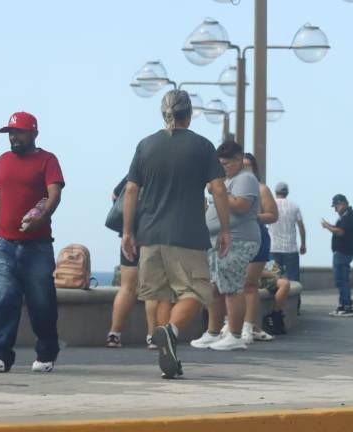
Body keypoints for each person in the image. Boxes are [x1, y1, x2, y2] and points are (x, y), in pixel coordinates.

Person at [122, 90, 230, 378]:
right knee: (197, 291)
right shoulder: (202, 146)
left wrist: (127, 232)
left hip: (149, 234)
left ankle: (166, 354)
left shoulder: (146, 146)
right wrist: (225, 229)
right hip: (187, 235)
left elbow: (131, 190)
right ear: (189, 115)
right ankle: (170, 331)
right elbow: (218, 189)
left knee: (160, 295)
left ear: (164, 114)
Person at [0, 112, 64, 374]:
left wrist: (41, 218)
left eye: (19, 132)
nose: (13, 137)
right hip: (4, 243)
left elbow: (54, 195)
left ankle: (46, 353)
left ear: (34, 134)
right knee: (4, 296)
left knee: (41, 302)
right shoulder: (4, 160)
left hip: (37, 245)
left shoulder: (48, 160)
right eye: (10, 132)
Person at [190, 141, 260, 351]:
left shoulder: (245, 179)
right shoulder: (226, 180)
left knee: (231, 288)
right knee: (215, 288)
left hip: (238, 240)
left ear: (238, 160)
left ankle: (235, 335)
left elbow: (242, 206)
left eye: (225, 164)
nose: (222, 168)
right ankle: (213, 332)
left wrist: (219, 192)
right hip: (216, 242)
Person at [105, 178, 171, 350]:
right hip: (155, 234)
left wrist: (129, 227)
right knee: (154, 288)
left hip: (129, 235)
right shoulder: (166, 172)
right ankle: (152, 336)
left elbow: (115, 195)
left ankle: (114, 333)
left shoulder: (135, 171)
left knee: (127, 287)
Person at [240, 152, 278, 343]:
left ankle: (248, 326)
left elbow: (273, 215)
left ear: (254, 168)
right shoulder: (230, 188)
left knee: (249, 284)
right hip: (234, 239)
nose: (244, 168)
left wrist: (252, 217)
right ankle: (236, 324)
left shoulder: (261, 189)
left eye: (248, 165)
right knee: (229, 285)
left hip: (257, 238)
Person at [321, 194, 353, 317]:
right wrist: (330, 225)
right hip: (342, 252)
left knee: (341, 280)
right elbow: (339, 229)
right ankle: (343, 305)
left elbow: (341, 232)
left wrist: (327, 227)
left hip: (343, 252)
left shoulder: (349, 216)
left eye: (336, 206)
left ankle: (347, 306)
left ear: (343, 203)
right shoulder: (346, 216)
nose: (335, 209)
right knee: (342, 280)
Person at [268, 182, 306, 282]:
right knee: (294, 280)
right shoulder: (294, 206)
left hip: (273, 249)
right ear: (287, 192)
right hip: (291, 249)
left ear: (275, 192)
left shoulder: (270, 205)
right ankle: (293, 293)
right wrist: (303, 244)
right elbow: (301, 227)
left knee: (273, 279)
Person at [259, 262, 292, 335]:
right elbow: (255, 271)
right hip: (255, 277)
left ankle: (276, 315)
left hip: (265, 274)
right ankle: (275, 316)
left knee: (285, 282)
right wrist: (274, 275)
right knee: (284, 284)